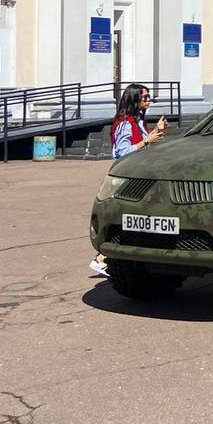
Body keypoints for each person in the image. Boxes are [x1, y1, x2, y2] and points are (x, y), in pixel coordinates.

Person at [90, 84, 166, 278]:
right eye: (145, 98)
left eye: (149, 97)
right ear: (134, 99)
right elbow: (121, 152)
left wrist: (155, 132)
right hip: (128, 179)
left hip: (141, 176)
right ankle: (101, 259)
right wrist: (148, 141)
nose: (148, 101)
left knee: (140, 220)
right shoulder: (125, 122)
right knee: (127, 219)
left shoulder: (138, 120)